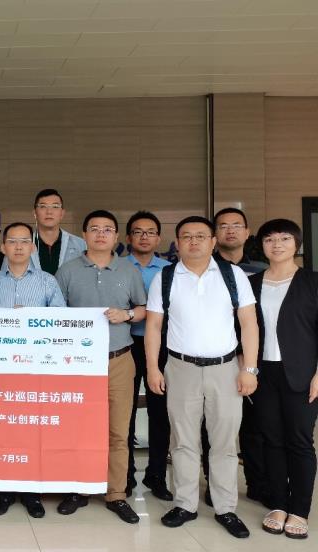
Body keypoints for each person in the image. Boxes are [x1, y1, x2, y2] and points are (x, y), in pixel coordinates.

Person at [146, 216, 259, 539]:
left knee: (224, 442)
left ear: (212, 241)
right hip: (180, 368)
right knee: (183, 441)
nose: (193, 241)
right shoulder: (166, 277)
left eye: (200, 236)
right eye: (186, 236)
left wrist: (249, 369)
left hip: (226, 369)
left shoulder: (232, 275)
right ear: (177, 243)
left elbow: (249, 323)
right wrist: (153, 368)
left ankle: (225, 508)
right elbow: (153, 325)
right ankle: (185, 504)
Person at [55, 210, 146, 524]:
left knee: (118, 431)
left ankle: (116, 493)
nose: (101, 234)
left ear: (116, 237)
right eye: (94, 229)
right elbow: (56, 313)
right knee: (78, 430)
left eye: (107, 229)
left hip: (119, 359)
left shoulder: (128, 270)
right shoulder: (67, 271)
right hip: (78, 363)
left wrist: (127, 315)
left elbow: (142, 308)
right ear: (84, 235)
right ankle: (78, 489)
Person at [0, 222, 66, 519]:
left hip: (36, 366)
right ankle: (3, 489)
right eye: (12, 241)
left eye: (24, 241)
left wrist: (30, 317)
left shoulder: (47, 281)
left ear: (32, 247)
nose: (18, 247)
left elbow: (60, 321)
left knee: (32, 428)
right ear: (3, 247)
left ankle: (32, 491)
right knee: (2, 428)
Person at [249, 219, 318, 540]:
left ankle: (300, 510)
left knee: (300, 442)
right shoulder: (252, 283)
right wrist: (247, 370)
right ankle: (278, 504)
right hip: (264, 373)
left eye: (285, 238)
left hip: (302, 373)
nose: (277, 244)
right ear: (262, 245)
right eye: (270, 239)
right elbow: (241, 329)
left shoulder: (313, 282)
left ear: (297, 244)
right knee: (271, 440)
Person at [209, 207, 270, 507]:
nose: (230, 230)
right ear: (214, 235)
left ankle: (258, 484)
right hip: (217, 356)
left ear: (247, 233)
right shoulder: (203, 269)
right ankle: (215, 487)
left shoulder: (262, 269)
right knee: (213, 426)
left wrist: (251, 359)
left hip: (256, 355)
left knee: (255, 424)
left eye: (237, 225)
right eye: (223, 226)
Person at [124, 211, 172, 501]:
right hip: (125, 345)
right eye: (138, 232)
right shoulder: (117, 268)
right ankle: (126, 474)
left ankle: (157, 475)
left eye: (150, 232)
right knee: (124, 412)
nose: (144, 237)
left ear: (158, 238)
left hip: (162, 346)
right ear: (128, 237)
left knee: (160, 412)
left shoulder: (170, 270)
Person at [32, 188, 86, 276]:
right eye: (43, 206)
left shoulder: (81, 245)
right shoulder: (22, 244)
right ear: (35, 213)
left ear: (62, 213)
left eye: (55, 206)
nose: (49, 212)